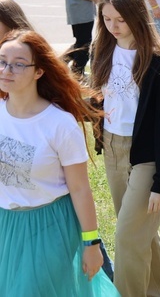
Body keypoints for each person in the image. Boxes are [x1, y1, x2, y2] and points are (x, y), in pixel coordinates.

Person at [0, 30, 118, 296]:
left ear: (38, 71)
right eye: (2, 61)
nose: (6, 69)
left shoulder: (59, 124)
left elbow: (80, 189)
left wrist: (91, 244)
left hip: (49, 226)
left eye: (18, 64)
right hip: (5, 224)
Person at [89, 0, 160, 297]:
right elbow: (99, 99)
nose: (114, 27)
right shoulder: (102, 51)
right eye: (107, 19)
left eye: (121, 19)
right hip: (113, 151)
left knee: (128, 237)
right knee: (139, 233)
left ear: (138, 15)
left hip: (146, 158)